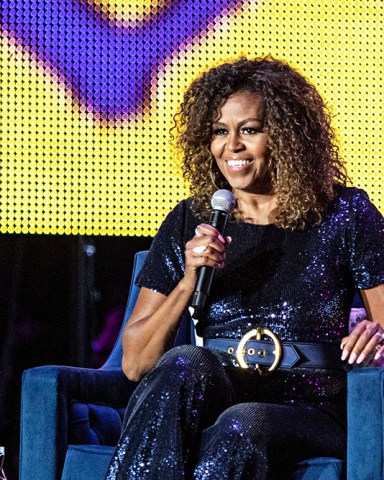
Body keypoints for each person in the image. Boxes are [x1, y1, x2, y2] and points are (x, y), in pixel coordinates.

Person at [105, 56, 384, 479]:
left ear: (287, 137)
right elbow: (136, 365)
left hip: (310, 407)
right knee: (184, 362)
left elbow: (383, 323)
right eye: (219, 131)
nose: (230, 146)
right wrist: (188, 281)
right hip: (218, 393)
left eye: (249, 130)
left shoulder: (345, 213)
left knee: (241, 425)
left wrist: (376, 334)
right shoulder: (191, 218)